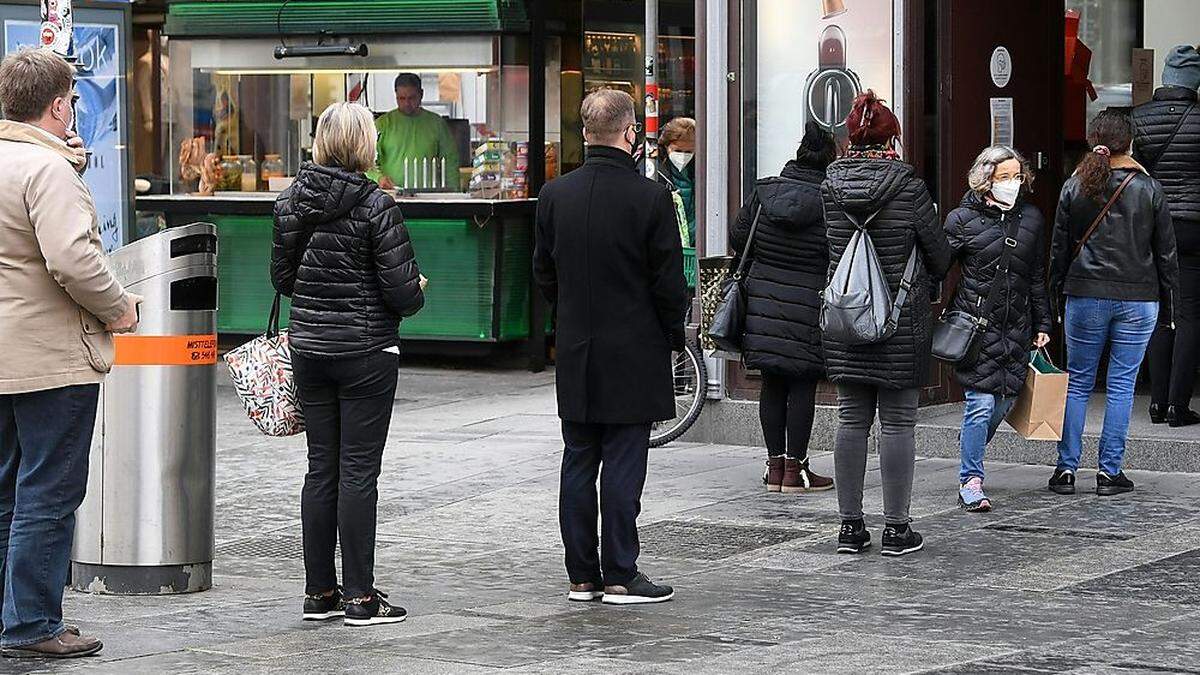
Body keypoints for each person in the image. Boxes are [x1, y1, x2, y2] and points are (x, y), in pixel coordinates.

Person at [0, 48, 140, 659]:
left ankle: (10, 615)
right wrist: (119, 307)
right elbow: (73, 259)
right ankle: (32, 624)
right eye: (73, 100)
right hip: (52, 360)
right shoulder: (46, 169)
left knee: (7, 494)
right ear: (58, 105)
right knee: (49, 494)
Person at [272, 102, 426, 627]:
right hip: (365, 353)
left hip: (310, 350)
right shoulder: (376, 205)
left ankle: (319, 593)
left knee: (321, 467)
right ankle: (360, 597)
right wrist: (416, 289)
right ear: (363, 144)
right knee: (358, 472)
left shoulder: (291, 201)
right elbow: (403, 294)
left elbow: (284, 281)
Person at [533, 89, 688, 605]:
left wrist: (568, 316)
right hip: (635, 346)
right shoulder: (650, 197)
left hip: (578, 346)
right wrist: (672, 336)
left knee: (579, 455)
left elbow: (543, 273)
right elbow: (669, 282)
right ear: (630, 134)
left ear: (584, 133)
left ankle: (581, 574)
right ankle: (621, 570)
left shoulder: (555, 194)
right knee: (624, 457)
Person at [821, 91, 952, 557]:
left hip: (847, 316)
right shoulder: (909, 187)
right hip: (900, 319)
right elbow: (938, 253)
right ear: (893, 138)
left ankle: (849, 528)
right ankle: (897, 529)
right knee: (898, 422)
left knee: (851, 419)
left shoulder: (829, 185)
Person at [1048, 109, 1178, 497]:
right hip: (1138, 297)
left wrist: (1054, 298)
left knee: (1078, 383)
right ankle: (1109, 472)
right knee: (1121, 386)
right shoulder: (1149, 188)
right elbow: (1166, 254)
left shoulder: (1075, 186)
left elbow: (1058, 250)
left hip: (1085, 294)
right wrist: (1171, 309)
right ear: (1131, 142)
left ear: (1093, 140)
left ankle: (1066, 469)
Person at [943, 146, 1052, 512]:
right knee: (980, 402)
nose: (1012, 184)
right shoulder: (961, 220)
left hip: (1017, 326)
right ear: (985, 180)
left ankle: (969, 445)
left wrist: (1043, 322)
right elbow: (939, 267)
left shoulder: (1031, 219)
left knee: (1004, 401)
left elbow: (1036, 275)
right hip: (977, 327)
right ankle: (970, 481)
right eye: (1004, 177)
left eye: (1017, 177)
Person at [730, 121, 836, 494]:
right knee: (802, 382)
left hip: (763, 302)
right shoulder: (829, 199)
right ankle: (796, 470)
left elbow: (737, 237)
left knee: (772, 382)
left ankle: (774, 468)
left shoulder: (766, 191)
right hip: (808, 304)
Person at [1134, 45, 1200, 428]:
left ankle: (1157, 403)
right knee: (1191, 314)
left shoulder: (1140, 119)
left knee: (1161, 313)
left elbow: (1137, 177)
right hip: (1194, 228)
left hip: (1154, 226)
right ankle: (1179, 404)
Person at [373, 73, 460, 190]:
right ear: (396, 96)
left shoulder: (436, 124)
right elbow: (365, 162)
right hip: (391, 196)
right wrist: (378, 178)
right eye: (402, 98)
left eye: (411, 98)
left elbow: (450, 162)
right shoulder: (382, 124)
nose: (407, 103)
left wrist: (454, 195)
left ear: (421, 94)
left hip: (428, 199)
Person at [655, 117, 697, 246]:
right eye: (678, 150)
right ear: (666, 146)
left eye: (689, 151)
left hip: (694, 240)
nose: (683, 156)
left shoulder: (700, 171)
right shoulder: (653, 171)